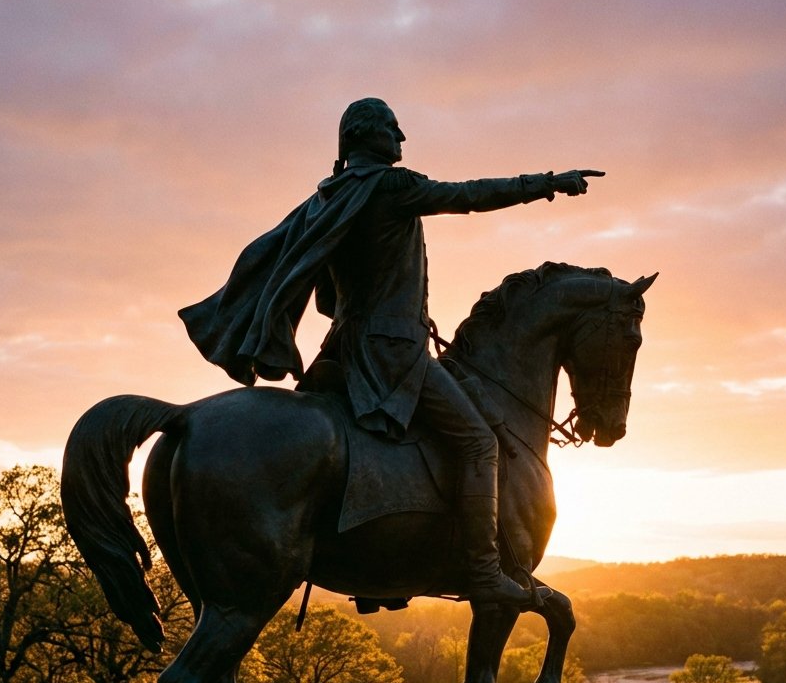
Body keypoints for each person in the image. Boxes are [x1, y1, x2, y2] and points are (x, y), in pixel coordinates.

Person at [180, 97, 603, 605]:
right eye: (393, 130)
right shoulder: (392, 186)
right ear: (366, 135)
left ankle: (377, 563)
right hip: (394, 353)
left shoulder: (329, 197)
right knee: (478, 443)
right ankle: (486, 574)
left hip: (342, 350)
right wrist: (547, 183)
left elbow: (330, 298)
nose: (401, 140)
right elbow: (468, 196)